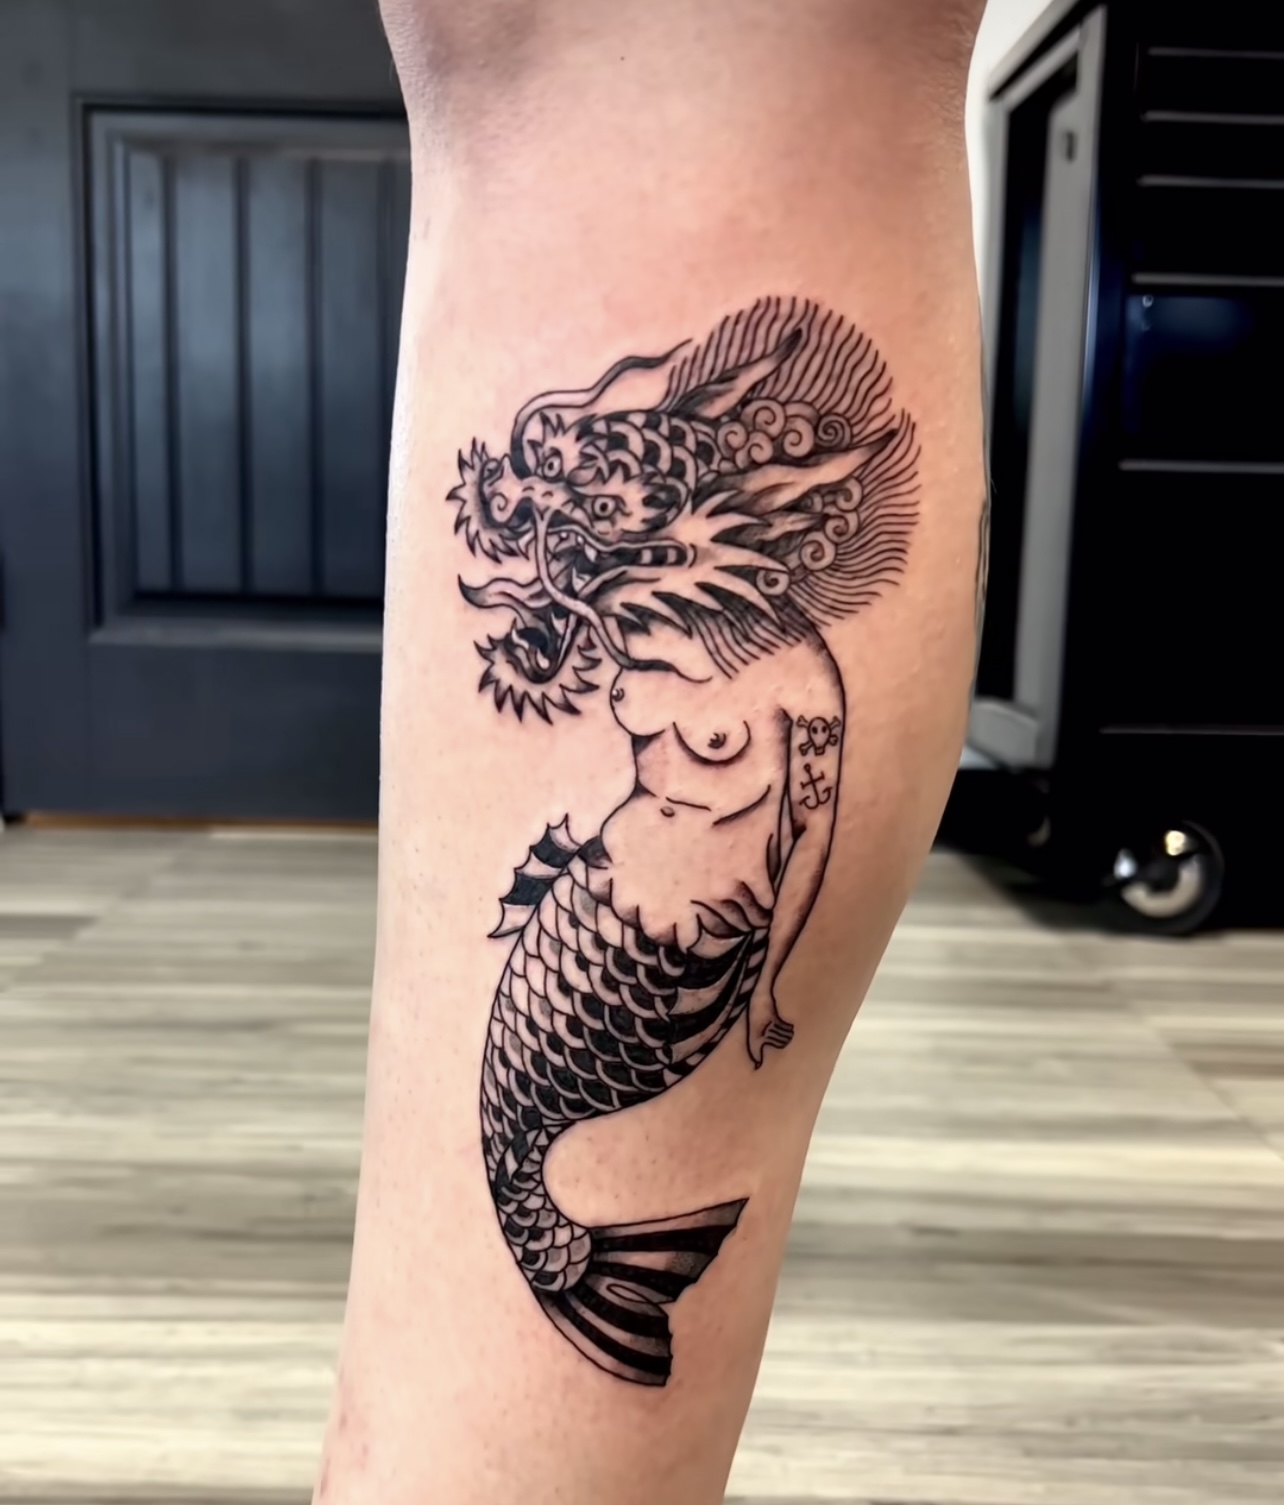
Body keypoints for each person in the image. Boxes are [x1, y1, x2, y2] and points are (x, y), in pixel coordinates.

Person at [317, 1, 987, 1499]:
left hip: (661, 949)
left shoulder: (782, 686)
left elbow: (794, 835)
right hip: (611, 936)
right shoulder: (695, 650)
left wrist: (762, 982)